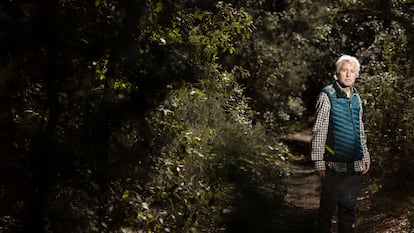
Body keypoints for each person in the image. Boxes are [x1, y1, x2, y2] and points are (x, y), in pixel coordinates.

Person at [311, 55, 371, 233]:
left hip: (353, 166)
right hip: (332, 166)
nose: (348, 74)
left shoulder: (356, 97)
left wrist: (365, 154)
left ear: (356, 75)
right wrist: (318, 160)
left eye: (352, 72)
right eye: (345, 70)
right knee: (327, 210)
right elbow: (319, 130)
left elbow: (360, 129)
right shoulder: (327, 95)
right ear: (337, 73)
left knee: (348, 209)